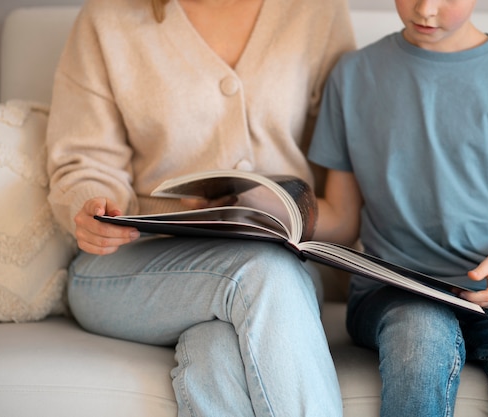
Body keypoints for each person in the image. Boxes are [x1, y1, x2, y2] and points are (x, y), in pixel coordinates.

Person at [46, 0, 355, 416]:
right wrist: (92, 206)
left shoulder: (316, 12)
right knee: (263, 275)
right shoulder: (107, 18)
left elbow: (338, 167)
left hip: (283, 270)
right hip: (131, 266)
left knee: (218, 349)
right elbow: (83, 161)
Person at [308, 0, 488, 416]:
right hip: (393, 290)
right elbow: (344, 219)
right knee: (419, 342)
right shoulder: (352, 75)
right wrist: (274, 214)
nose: (426, 9)